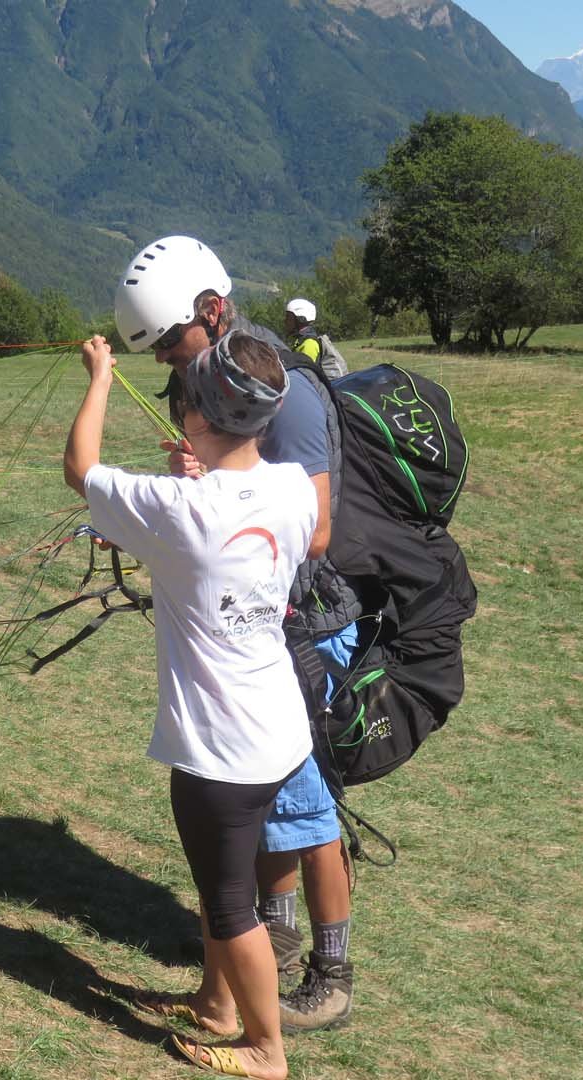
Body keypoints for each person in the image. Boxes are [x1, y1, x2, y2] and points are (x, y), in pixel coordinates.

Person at [116, 236, 360, 1034]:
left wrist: (217, 518)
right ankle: (270, 945)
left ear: (214, 312)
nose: (167, 365)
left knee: (309, 811)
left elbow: (316, 532)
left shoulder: (286, 394)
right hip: (259, 626)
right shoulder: (223, 386)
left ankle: (332, 975)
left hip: (304, 626)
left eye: (172, 343)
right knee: (269, 810)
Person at [66, 326, 316, 1080]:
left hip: (221, 750)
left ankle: (265, 1048)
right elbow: (239, 510)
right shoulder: (293, 487)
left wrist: (100, 375)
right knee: (220, 880)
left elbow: (81, 469)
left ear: (198, 414)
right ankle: (216, 1004)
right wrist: (203, 468)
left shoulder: (180, 508)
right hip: (277, 728)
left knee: (232, 903)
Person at [284, 298, 346, 380]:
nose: (285, 321)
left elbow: (304, 374)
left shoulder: (309, 343)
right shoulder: (301, 340)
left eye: (289, 317)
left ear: (300, 319)